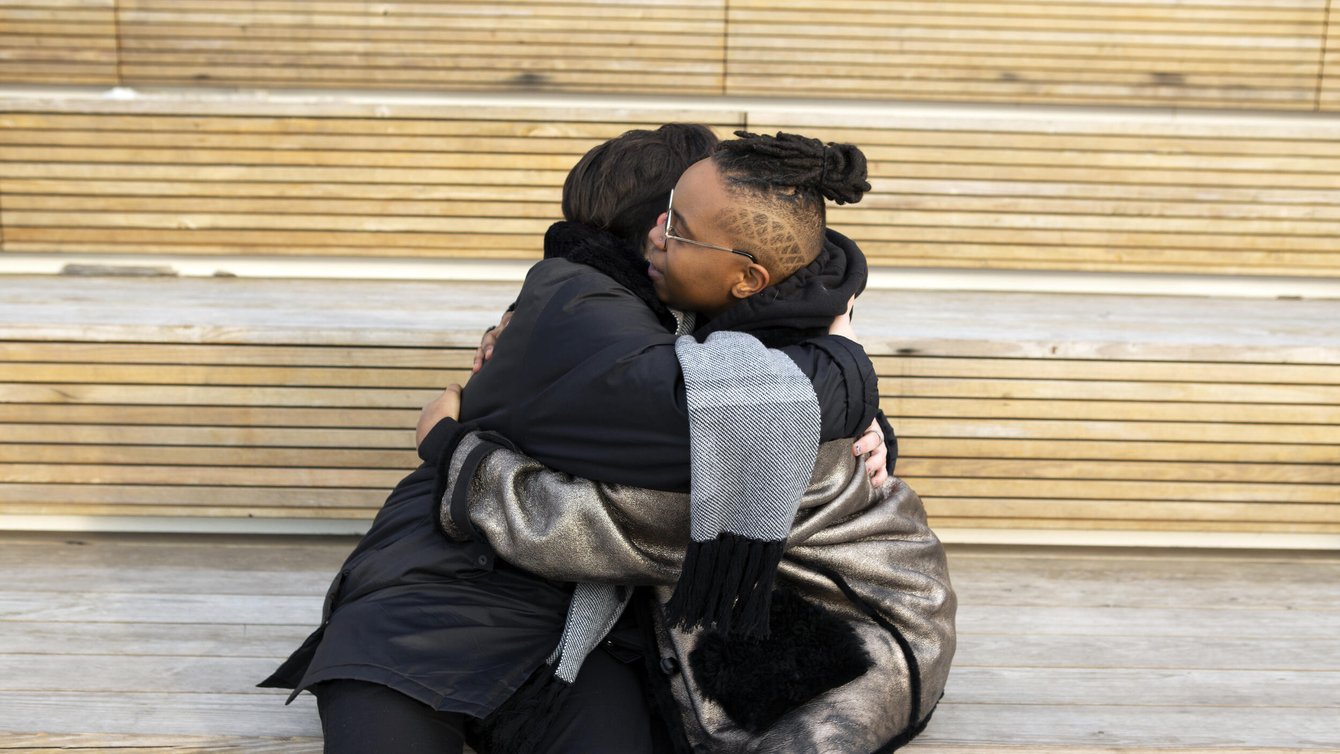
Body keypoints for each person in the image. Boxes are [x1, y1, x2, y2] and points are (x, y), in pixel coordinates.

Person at [260, 124, 890, 753]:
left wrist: (867, 423)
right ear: (650, 223)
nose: (666, 232)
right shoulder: (579, 310)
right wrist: (843, 362)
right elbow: (698, 421)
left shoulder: (684, 318)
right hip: (434, 601)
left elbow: (761, 426)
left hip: (587, 625)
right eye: (676, 214)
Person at [433, 132, 956, 753]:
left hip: (872, 632)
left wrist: (452, 450)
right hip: (784, 596)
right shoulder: (763, 317)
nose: (655, 234)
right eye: (665, 212)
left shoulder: (762, 406)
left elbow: (600, 527)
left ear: (747, 277)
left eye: (677, 229)